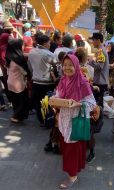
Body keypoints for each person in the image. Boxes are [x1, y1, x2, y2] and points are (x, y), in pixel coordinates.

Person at [56, 54, 96, 189]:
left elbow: (92, 103)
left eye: (70, 65)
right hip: (64, 119)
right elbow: (58, 95)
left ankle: (72, 176)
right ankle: (75, 169)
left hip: (76, 119)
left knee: (72, 148)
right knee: (67, 147)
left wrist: (77, 104)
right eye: (64, 65)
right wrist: (53, 100)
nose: (67, 68)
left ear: (76, 65)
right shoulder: (63, 80)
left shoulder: (82, 82)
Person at [28, 35, 57, 126]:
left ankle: (41, 119)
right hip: (46, 82)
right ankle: (47, 120)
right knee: (46, 102)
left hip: (36, 81)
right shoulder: (49, 54)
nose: (50, 44)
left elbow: (30, 66)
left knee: (38, 102)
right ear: (44, 43)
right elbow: (56, 66)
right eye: (49, 42)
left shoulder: (31, 52)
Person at [5, 39, 30, 123]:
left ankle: (17, 117)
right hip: (18, 83)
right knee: (23, 101)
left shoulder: (9, 57)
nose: (23, 47)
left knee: (15, 101)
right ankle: (15, 116)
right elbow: (24, 72)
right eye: (22, 45)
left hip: (10, 81)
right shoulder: (18, 60)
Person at [88, 32, 109, 107]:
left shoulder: (101, 51)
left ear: (98, 40)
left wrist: (90, 61)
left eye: (93, 40)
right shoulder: (101, 50)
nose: (92, 42)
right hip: (100, 80)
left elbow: (100, 66)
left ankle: (99, 117)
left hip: (100, 81)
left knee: (98, 104)